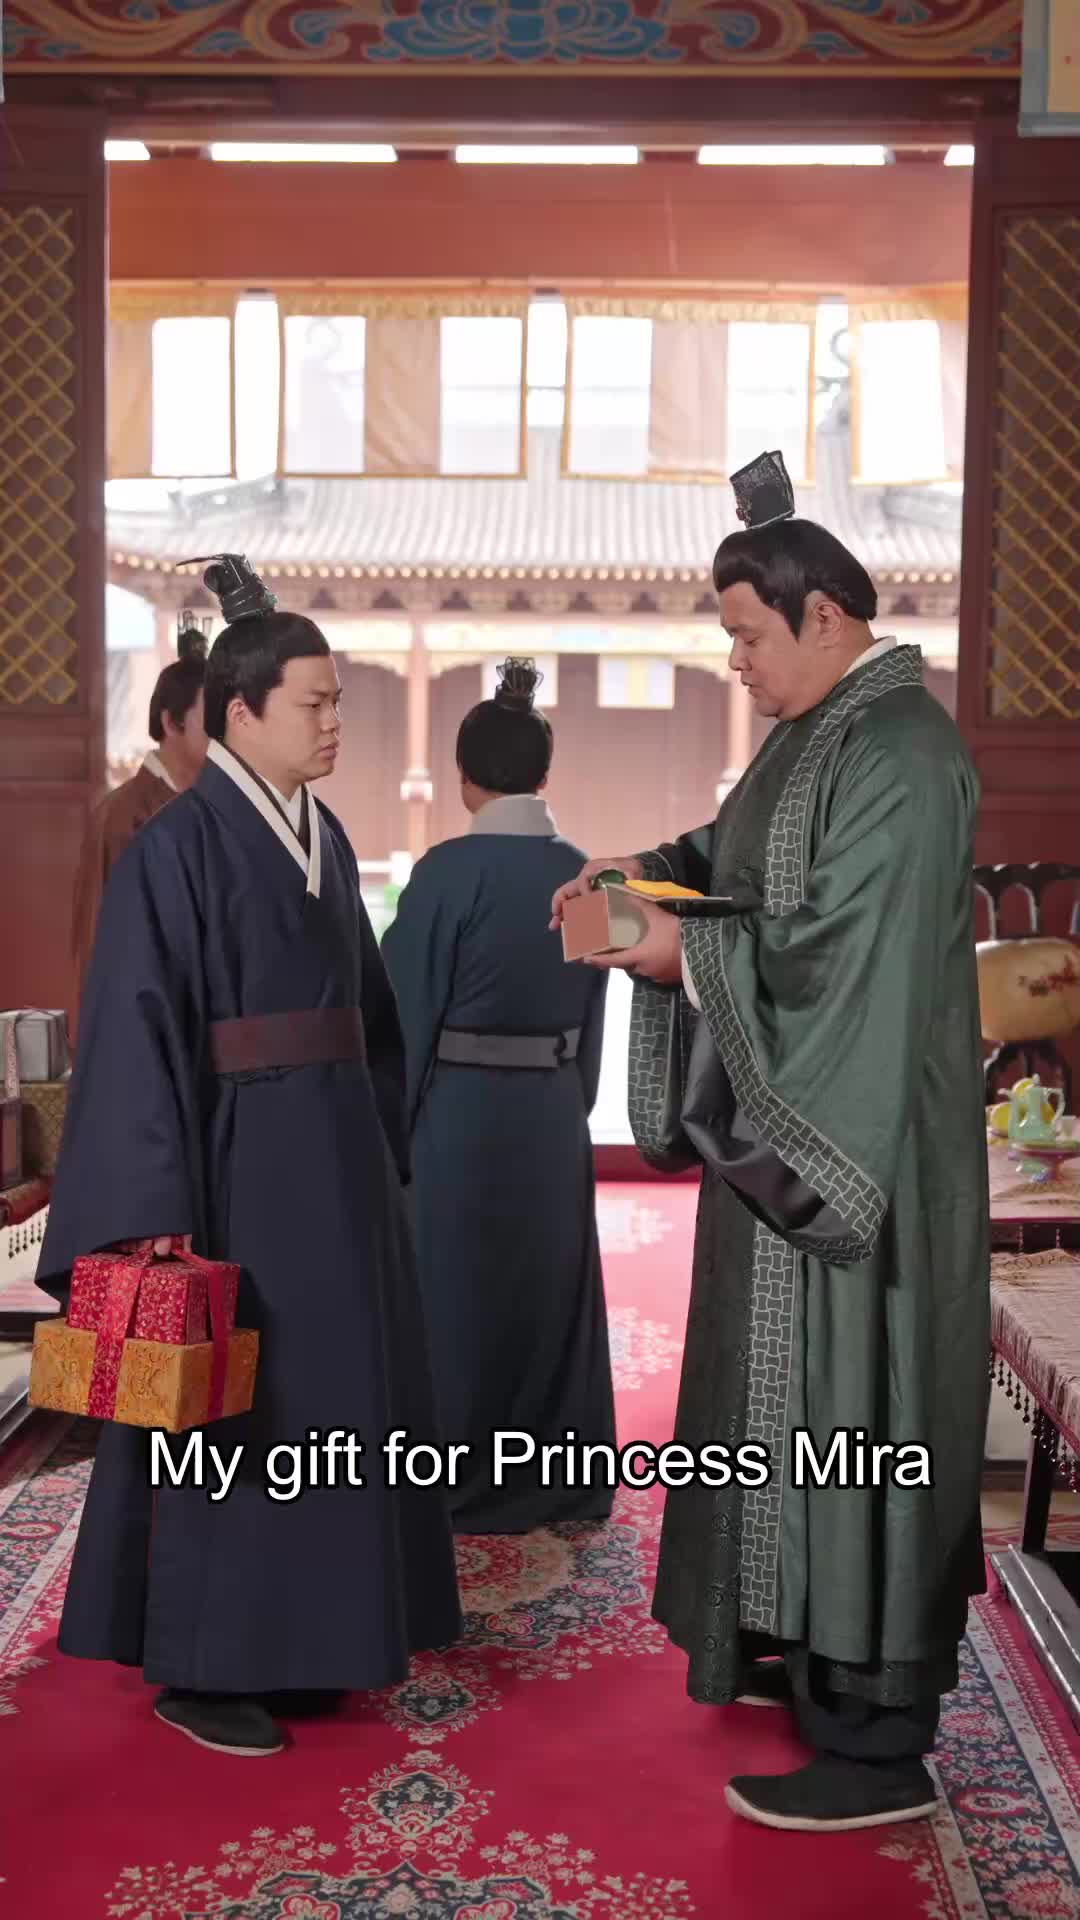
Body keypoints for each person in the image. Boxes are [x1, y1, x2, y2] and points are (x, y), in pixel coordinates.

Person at [551, 458, 989, 1834]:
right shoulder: (816, 736)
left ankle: (877, 1736)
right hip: (787, 1163)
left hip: (858, 1166)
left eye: (747, 635)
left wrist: (675, 949)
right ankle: (800, 1647)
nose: (734, 662)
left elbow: (839, 961)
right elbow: (728, 860)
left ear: (826, 617)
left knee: (860, 1421)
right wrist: (632, 883)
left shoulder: (903, 753)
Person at [38, 561, 461, 1757]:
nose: (334, 723)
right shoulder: (173, 848)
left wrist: (378, 1139)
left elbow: (369, 1011)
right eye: (314, 703)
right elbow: (133, 1026)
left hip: (332, 1163)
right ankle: (206, 1664)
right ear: (241, 711)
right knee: (233, 1414)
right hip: (231, 1173)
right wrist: (152, 1201)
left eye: (337, 704)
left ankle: (315, 1636)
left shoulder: (323, 834)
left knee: (329, 1402)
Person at [382, 659, 614, 1533]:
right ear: (544, 774)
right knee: (547, 1291)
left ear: (465, 777)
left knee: (454, 1291)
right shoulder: (586, 874)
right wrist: (568, 1102)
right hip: (550, 1109)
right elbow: (594, 1012)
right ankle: (558, 1477)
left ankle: (449, 1478)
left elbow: (404, 1014)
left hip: (458, 1116)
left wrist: (393, 1131)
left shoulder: (447, 872)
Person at [71, 631, 209, 1009]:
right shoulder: (124, 817)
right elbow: (105, 944)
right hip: (143, 1016)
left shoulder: (210, 807)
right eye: (211, 718)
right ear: (172, 722)